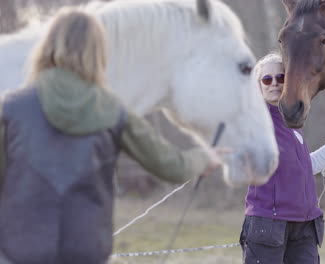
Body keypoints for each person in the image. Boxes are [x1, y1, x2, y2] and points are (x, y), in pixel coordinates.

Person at [0, 9, 223, 264]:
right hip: (86, 252)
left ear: (47, 47)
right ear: (98, 52)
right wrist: (203, 159)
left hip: (20, 251)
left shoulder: (12, 108)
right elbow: (172, 166)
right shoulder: (113, 111)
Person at [239, 52, 325, 264]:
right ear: (258, 86)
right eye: (267, 79)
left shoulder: (291, 124)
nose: (274, 83)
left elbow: (300, 168)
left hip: (304, 226)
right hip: (269, 224)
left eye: (281, 78)